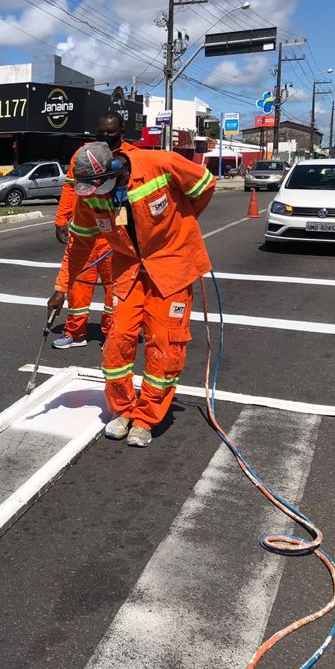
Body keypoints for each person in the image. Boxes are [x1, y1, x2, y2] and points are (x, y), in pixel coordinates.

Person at [53, 140, 215, 448]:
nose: (95, 198)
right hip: (128, 272)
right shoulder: (90, 196)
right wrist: (62, 286)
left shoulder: (161, 164)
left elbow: (205, 186)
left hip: (172, 268)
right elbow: (80, 246)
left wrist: (183, 222)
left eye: (98, 190)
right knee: (117, 342)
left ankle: (147, 418)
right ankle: (124, 410)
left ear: (115, 171)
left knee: (165, 345)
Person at [48, 111, 137, 348]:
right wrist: (61, 219)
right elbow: (69, 187)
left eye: (111, 132)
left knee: (114, 285)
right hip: (86, 226)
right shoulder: (84, 154)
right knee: (79, 282)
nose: (105, 136)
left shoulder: (132, 157)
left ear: (122, 133)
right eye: (101, 132)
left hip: (115, 235)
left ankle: (112, 331)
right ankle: (75, 332)